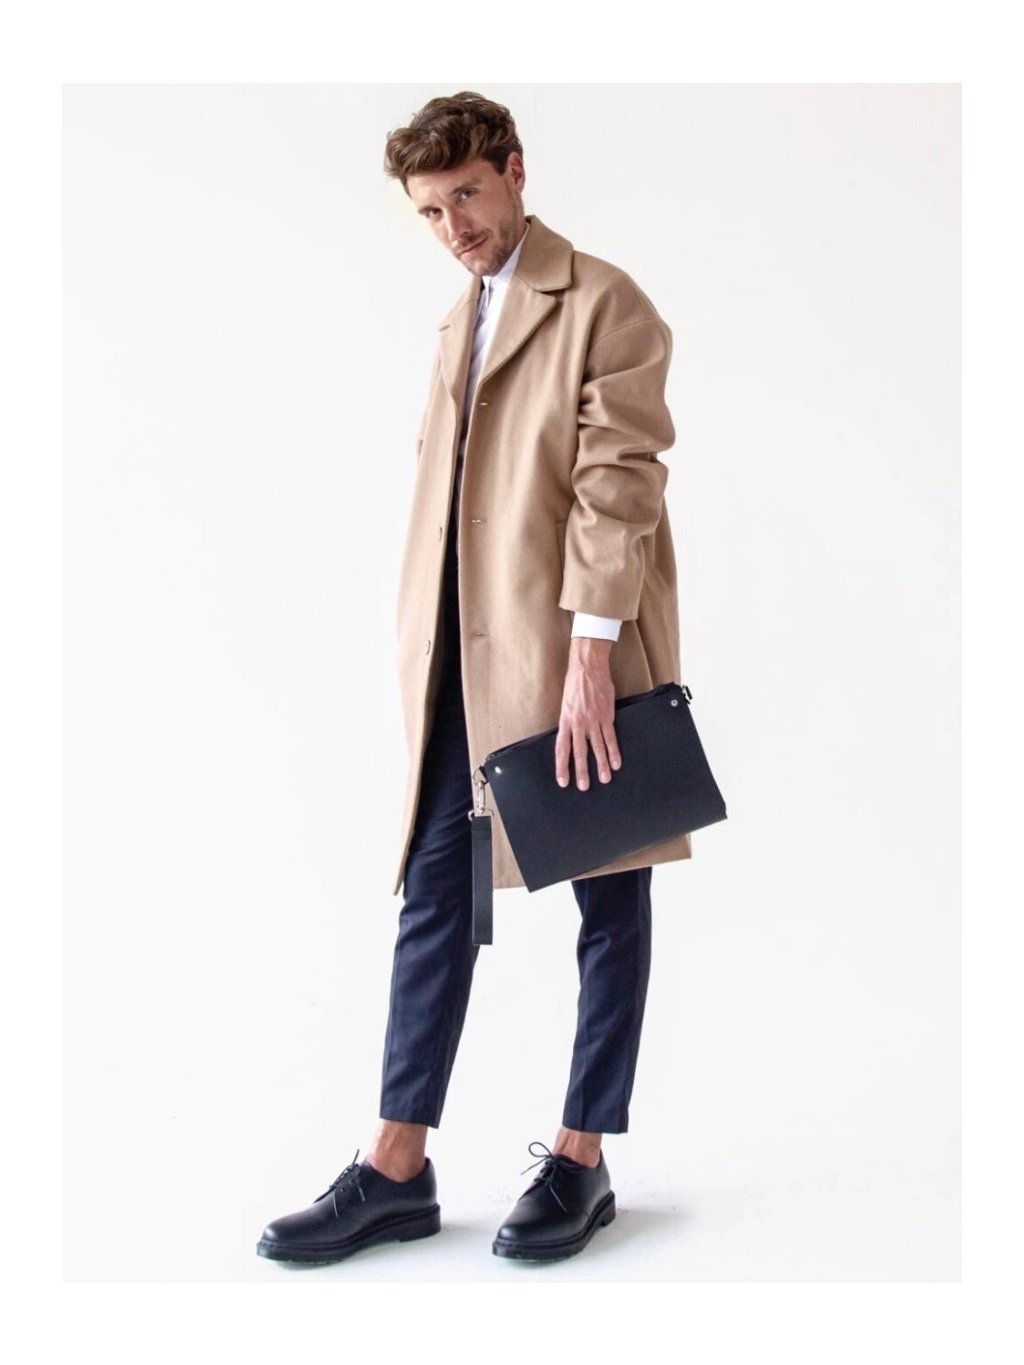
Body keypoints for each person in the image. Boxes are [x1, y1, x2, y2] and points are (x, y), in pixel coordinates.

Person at [257, 90, 691, 1268]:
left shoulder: (604, 301)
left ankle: (581, 1156)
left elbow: (618, 484)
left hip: (578, 655)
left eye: (467, 195)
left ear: (513, 171)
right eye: (430, 211)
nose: (453, 226)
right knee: (436, 893)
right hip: (468, 661)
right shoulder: (461, 318)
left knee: (608, 890)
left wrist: (591, 657)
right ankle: (395, 1164)